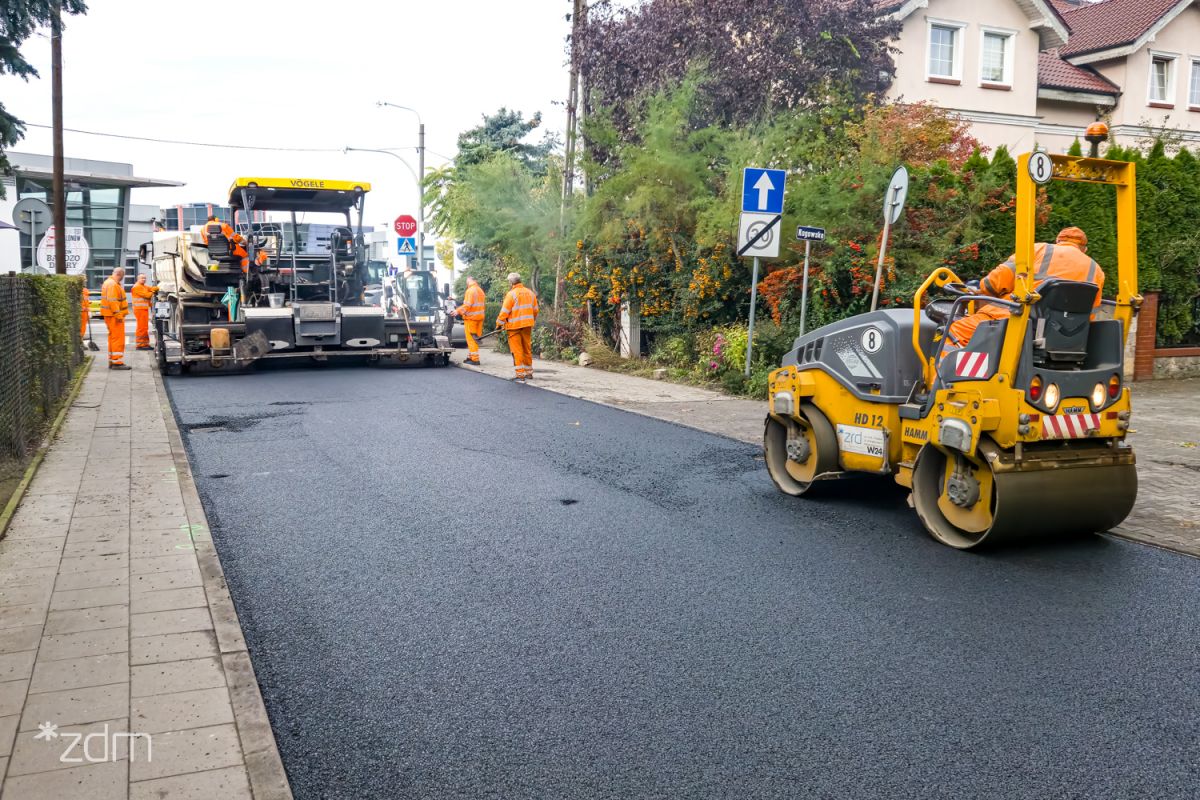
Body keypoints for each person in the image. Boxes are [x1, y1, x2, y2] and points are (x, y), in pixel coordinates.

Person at [947, 226, 1104, 350]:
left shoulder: (1040, 250)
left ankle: (939, 386)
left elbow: (995, 281)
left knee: (954, 331)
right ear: (1084, 249)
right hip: (1065, 336)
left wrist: (982, 288)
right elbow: (1090, 313)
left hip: (1013, 320)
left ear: (1058, 241)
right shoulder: (1096, 270)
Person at [496, 272, 538, 381]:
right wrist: (530, 320)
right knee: (526, 349)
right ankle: (529, 373)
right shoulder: (530, 293)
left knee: (517, 350)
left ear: (511, 282)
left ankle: (520, 375)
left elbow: (504, 312)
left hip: (514, 327)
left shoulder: (511, 294)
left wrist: (499, 324)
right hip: (527, 326)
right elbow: (535, 310)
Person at [99, 267, 130, 370]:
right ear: (120, 275)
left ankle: (112, 360)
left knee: (113, 338)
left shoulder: (109, 283)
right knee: (118, 339)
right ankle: (117, 362)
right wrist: (118, 315)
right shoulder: (113, 285)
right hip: (114, 316)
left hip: (110, 315)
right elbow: (113, 301)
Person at [454, 276, 486, 366]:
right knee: (476, 339)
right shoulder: (480, 290)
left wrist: (457, 311)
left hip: (471, 319)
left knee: (471, 339)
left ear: (468, 281)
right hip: (479, 318)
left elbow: (467, 305)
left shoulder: (470, 291)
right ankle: (471, 356)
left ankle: (475, 359)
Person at [130, 273, 159, 351]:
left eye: (145, 278)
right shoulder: (137, 287)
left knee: (144, 327)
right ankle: (140, 345)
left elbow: (152, 288)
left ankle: (145, 344)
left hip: (143, 309)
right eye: (142, 278)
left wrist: (156, 288)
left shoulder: (143, 286)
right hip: (139, 310)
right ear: (138, 279)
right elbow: (147, 295)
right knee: (141, 328)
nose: (144, 279)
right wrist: (153, 291)